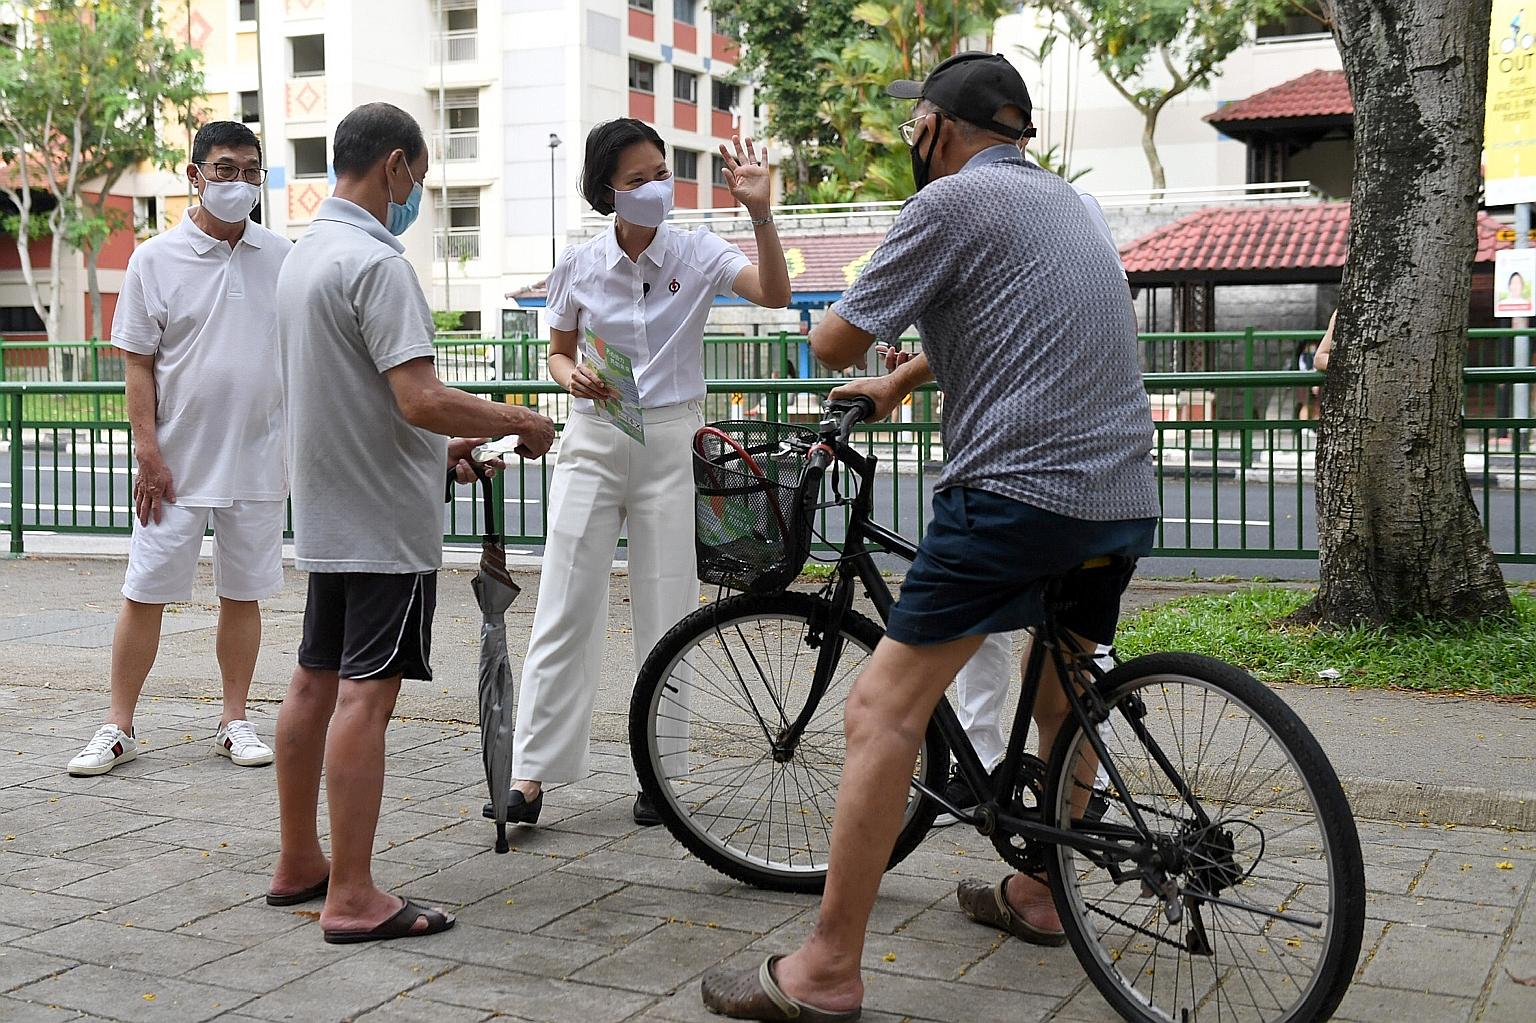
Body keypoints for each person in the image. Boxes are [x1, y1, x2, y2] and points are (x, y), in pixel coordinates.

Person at [700, 53, 1159, 1020]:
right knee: (1058, 684)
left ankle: (824, 970)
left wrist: (854, 349)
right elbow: (1020, 328)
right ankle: (1041, 892)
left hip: (1013, 494)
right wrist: (904, 381)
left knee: (880, 712)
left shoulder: (945, 206)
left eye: (917, 126)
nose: (913, 140)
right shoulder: (1073, 206)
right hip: (1117, 494)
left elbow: (831, 342)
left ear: (939, 131)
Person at [266, 103, 556, 942]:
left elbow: (360, 402)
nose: (415, 198)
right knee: (367, 696)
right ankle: (352, 895)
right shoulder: (375, 263)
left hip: (328, 506)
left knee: (313, 681)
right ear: (394, 166)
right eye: (419, 182)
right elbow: (418, 396)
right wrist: (515, 420)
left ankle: (299, 861)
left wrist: (442, 454)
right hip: (384, 524)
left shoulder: (301, 258)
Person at [485, 119, 790, 829]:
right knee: (564, 598)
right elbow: (556, 352)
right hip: (595, 435)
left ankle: (661, 772)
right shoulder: (581, 264)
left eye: (661, 172)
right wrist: (574, 375)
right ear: (606, 192)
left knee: (669, 606)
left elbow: (773, 294)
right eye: (638, 179)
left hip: (672, 437)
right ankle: (531, 772)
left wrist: (760, 213)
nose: (657, 187)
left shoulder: (700, 250)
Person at [68, 122, 290, 777]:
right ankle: (118, 724)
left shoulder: (282, 255)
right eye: (225, 169)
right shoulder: (153, 259)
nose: (239, 183)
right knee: (146, 589)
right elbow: (138, 363)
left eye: (252, 171)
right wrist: (148, 452)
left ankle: (234, 719)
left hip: (257, 455)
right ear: (193, 175)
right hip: (175, 461)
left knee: (242, 592)